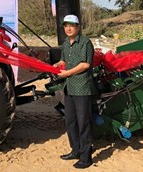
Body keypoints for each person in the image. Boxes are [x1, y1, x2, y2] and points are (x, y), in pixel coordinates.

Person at [53, 14, 96, 169]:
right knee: (70, 121)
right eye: (66, 25)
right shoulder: (66, 43)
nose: (68, 28)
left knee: (83, 122)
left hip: (82, 88)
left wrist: (67, 73)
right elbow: (64, 60)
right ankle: (75, 150)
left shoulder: (85, 42)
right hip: (69, 88)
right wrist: (58, 64)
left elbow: (85, 64)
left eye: (72, 25)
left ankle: (86, 157)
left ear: (78, 27)